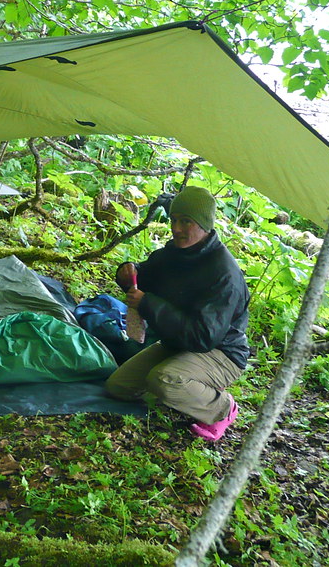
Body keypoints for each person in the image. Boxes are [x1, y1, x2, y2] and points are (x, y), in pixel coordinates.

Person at [105, 186, 250, 442]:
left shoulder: (224, 274)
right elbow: (145, 277)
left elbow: (203, 337)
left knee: (165, 378)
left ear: (204, 225)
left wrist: (148, 304)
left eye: (186, 221)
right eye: (174, 220)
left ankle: (222, 408)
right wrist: (128, 273)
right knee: (118, 387)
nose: (176, 228)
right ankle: (185, 390)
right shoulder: (175, 252)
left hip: (220, 352)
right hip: (178, 343)